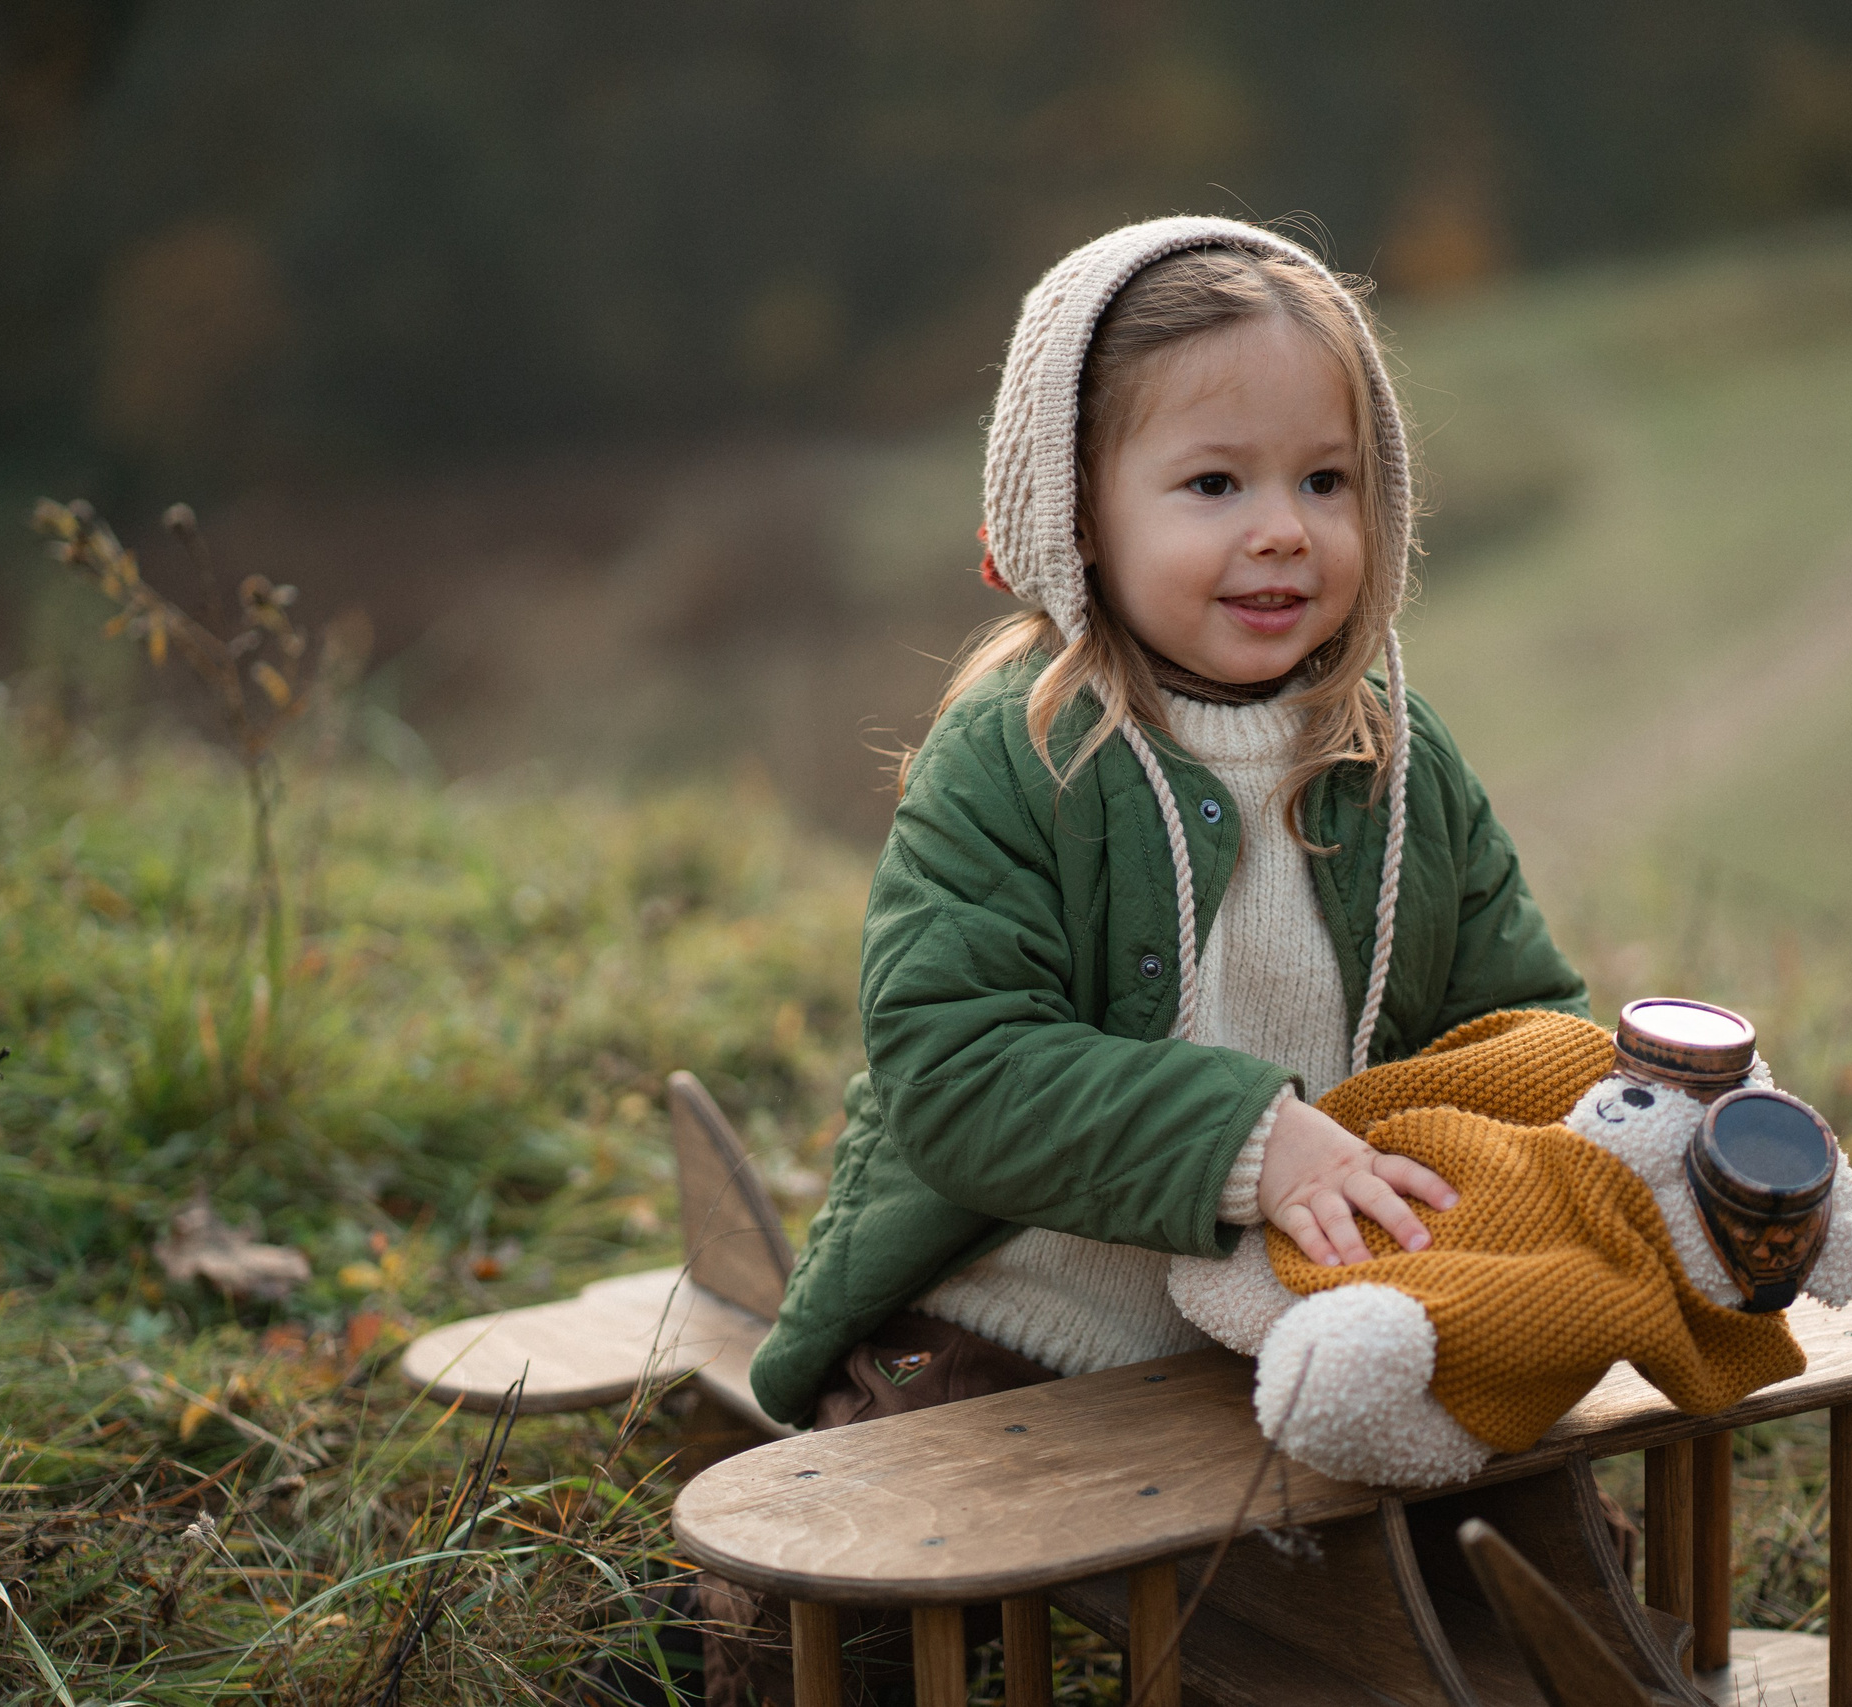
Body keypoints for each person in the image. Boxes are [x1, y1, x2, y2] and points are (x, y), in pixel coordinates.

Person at [629, 215, 1590, 1706]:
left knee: (1496, 1555)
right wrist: (1250, 1139)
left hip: (1299, 1330)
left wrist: (1613, 1122)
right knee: (876, 1595)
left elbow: (1513, 1017)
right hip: (1016, 1311)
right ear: (1076, 511)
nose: (1284, 530)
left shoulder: (1396, 757)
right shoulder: (1016, 755)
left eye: (1325, 480)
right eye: (1214, 484)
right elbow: (958, 1068)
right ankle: (703, 1652)